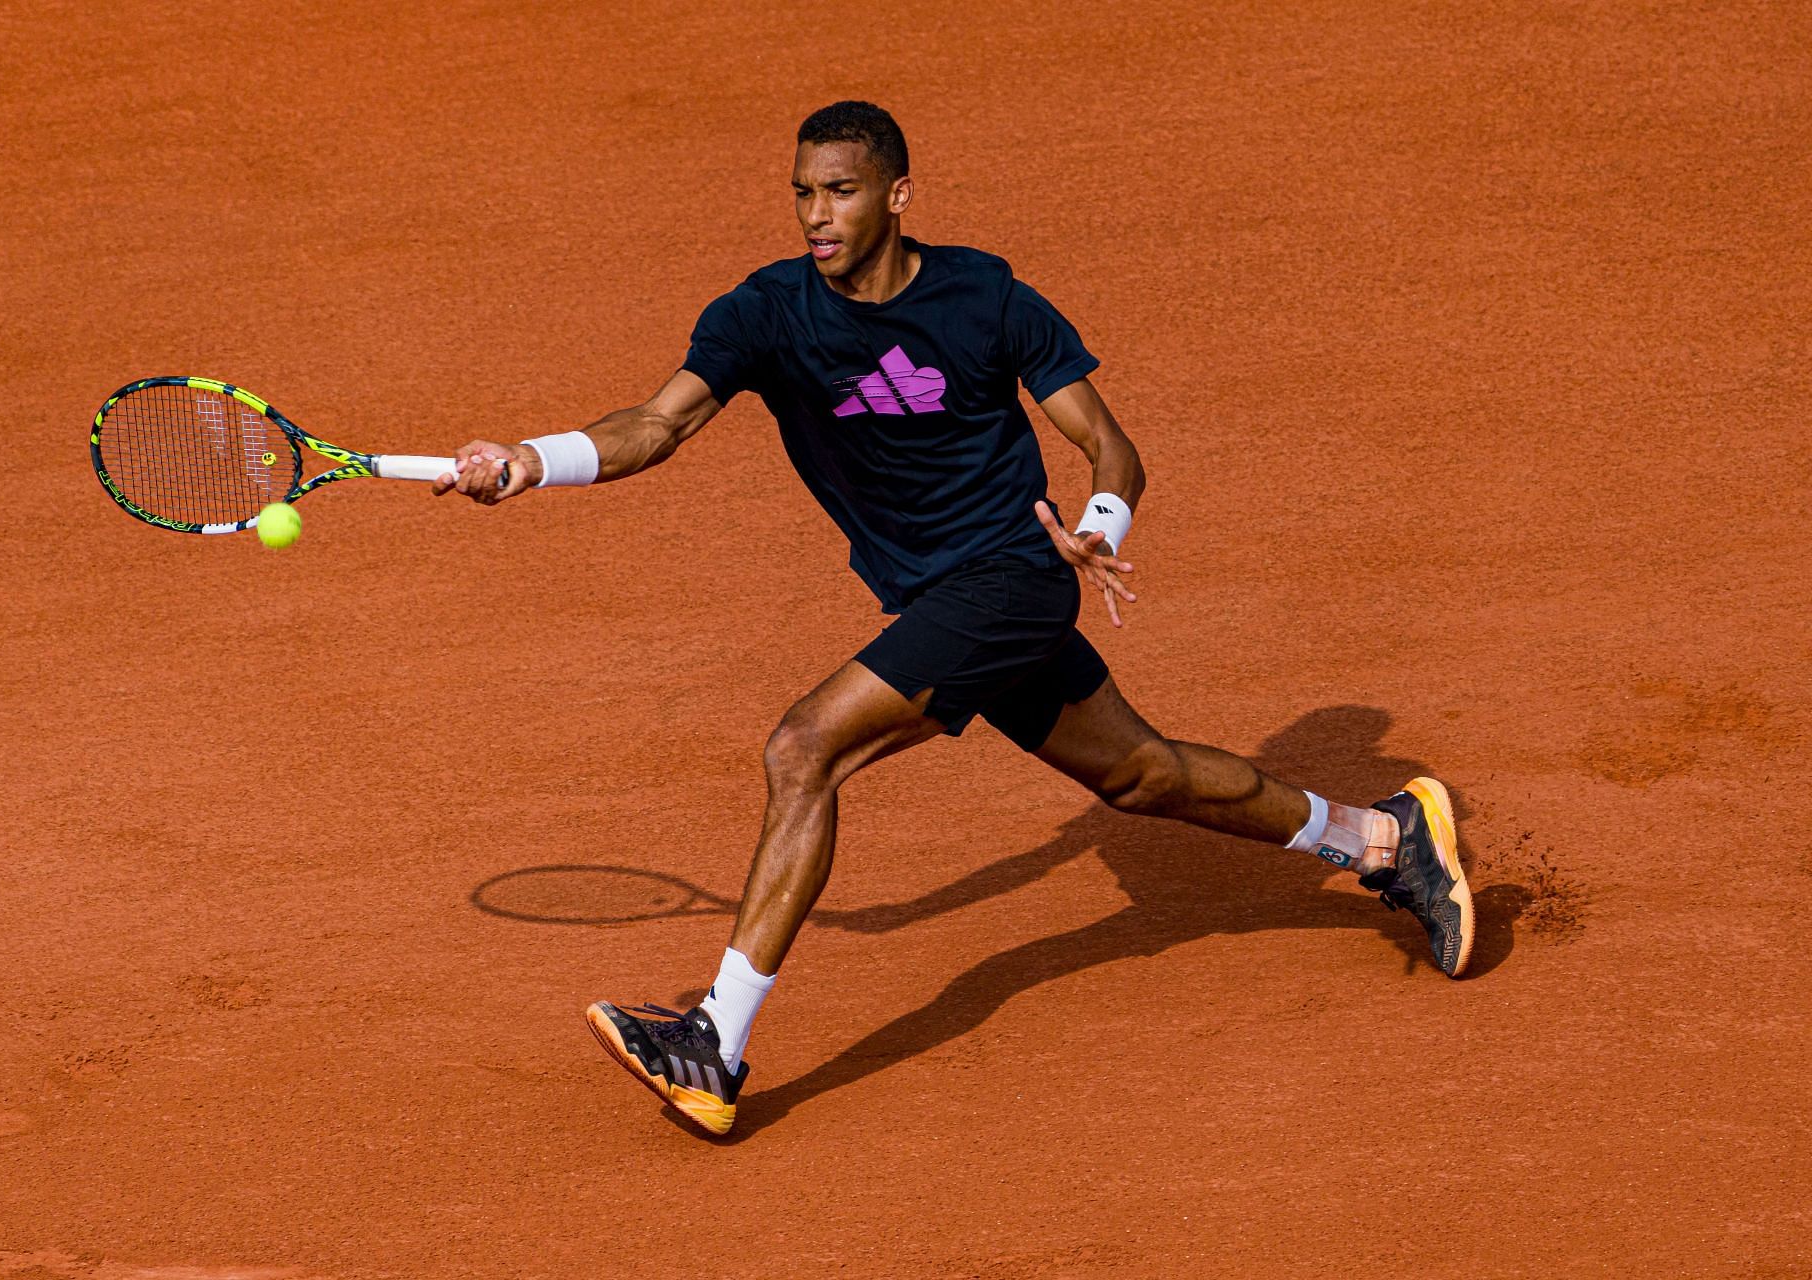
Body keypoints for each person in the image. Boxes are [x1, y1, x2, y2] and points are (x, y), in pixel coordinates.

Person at [436, 101, 1473, 1136]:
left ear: (897, 196)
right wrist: (531, 460)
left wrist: (1098, 527)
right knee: (1142, 774)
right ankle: (1385, 837)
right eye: (801, 192)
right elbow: (657, 423)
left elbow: (1113, 449)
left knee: (806, 747)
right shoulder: (766, 314)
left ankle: (716, 1042)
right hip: (945, 598)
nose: (815, 215)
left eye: (838, 191)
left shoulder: (985, 297)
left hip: (1016, 574)